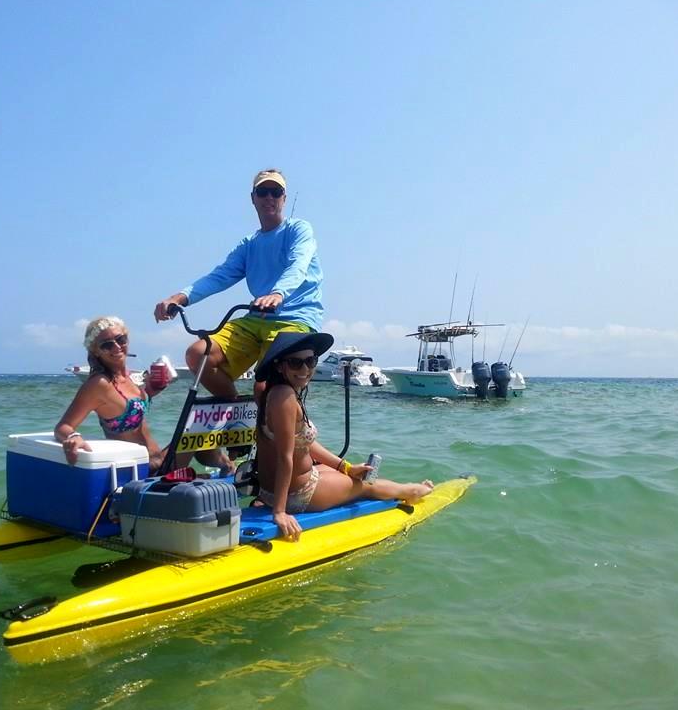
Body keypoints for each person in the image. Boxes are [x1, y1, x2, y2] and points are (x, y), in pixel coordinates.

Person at [153, 169, 324, 400]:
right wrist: (178, 298)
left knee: (264, 389)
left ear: (284, 198)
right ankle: (237, 417)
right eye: (263, 192)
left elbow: (298, 265)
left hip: (296, 319)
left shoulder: (298, 229)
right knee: (198, 355)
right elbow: (219, 276)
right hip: (257, 318)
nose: (269, 198)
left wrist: (277, 293)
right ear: (253, 198)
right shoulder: (249, 244)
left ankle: (276, 423)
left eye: (276, 192)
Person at [254, 331, 435, 541]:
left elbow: (304, 444)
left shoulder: (275, 391)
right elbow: (285, 457)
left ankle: (381, 483)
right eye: (295, 363)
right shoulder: (285, 397)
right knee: (366, 486)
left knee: (350, 475)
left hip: (273, 489)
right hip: (296, 496)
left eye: (311, 361)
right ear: (279, 366)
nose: (305, 369)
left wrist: (346, 467)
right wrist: (280, 512)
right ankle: (411, 491)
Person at [54, 316, 230, 474]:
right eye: (107, 344)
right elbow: (64, 426)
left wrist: (151, 391)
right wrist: (72, 438)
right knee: (198, 426)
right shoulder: (99, 384)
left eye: (120, 339)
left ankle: (225, 467)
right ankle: (228, 469)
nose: (116, 346)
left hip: (160, 461)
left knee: (202, 422)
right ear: (95, 351)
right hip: (142, 470)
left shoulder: (126, 378)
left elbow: (127, 407)